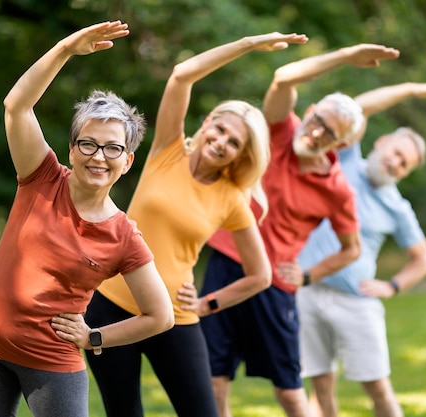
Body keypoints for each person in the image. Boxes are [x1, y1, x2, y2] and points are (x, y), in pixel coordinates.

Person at [83, 32, 309, 417]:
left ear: (241, 155)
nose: (222, 142)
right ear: (206, 124)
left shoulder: (233, 198)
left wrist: (207, 304)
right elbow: (182, 75)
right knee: (123, 412)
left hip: (175, 316)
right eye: (220, 130)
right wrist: (249, 44)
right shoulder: (168, 150)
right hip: (109, 305)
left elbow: (261, 275)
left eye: (234, 142)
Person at [0, 21, 175, 417]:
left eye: (112, 148)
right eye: (88, 144)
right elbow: (16, 105)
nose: (98, 156)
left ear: (127, 161)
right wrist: (65, 49)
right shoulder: (42, 177)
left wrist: (94, 337)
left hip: (51, 361)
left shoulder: (124, 236)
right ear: (72, 149)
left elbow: (160, 316)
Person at [201, 43, 401, 417]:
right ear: (309, 112)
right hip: (227, 262)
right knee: (213, 381)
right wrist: (345, 56)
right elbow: (283, 78)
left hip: (274, 284)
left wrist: (308, 276)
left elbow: (351, 248)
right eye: (317, 121)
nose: (315, 133)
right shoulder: (280, 132)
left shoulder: (337, 189)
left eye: (328, 134)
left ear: (340, 145)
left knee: (291, 394)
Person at [293, 82, 426, 417]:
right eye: (396, 153)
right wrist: (410, 89)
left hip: (355, 302)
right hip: (306, 290)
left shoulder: (397, 207)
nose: (396, 163)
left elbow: (423, 258)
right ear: (380, 143)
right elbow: (356, 108)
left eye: (405, 164)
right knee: (320, 387)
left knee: (379, 389)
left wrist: (392, 286)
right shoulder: (345, 158)